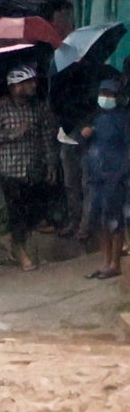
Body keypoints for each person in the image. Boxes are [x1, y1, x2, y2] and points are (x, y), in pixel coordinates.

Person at [0, 65, 56, 271]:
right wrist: (14, 134)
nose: (33, 86)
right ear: (15, 86)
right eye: (28, 83)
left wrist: (50, 162)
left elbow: (46, 135)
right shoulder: (1, 108)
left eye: (33, 82)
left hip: (34, 168)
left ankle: (13, 241)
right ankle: (20, 252)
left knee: (33, 212)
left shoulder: (38, 107)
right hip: (11, 170)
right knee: (16, 213)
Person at [81, 76, 129, 282]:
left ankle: (115, 263)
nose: (105, 97)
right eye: (103, 93)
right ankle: (105, 262)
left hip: (115, 178)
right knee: (101, 221)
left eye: (109, 94)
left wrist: (122, 173)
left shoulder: (124, 119)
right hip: (97, 177)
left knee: (114, 221)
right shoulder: (98, 118)